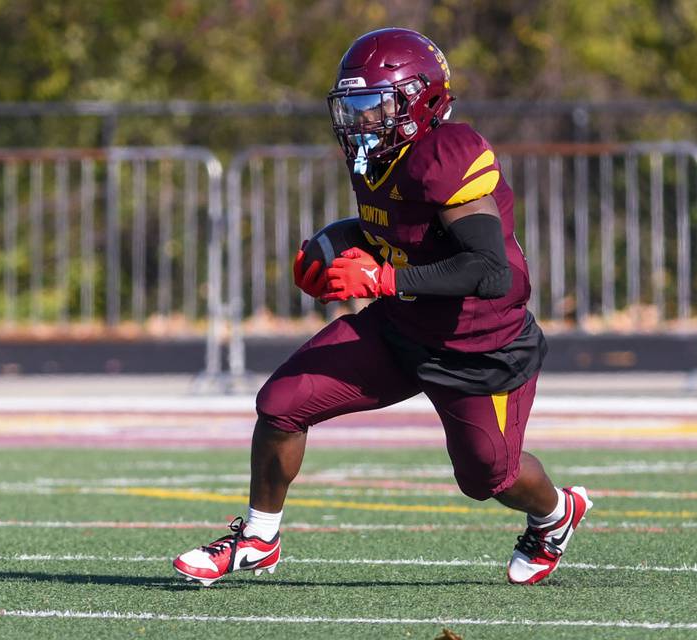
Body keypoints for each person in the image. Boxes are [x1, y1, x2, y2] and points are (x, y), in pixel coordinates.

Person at [173, 27, 591, 587]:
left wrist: (385, 277)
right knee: (281, 404)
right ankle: (258, 536)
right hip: (401, 329)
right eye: (354, 106)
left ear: (420, 101)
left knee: (490, 477)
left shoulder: (446, 154)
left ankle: (555, 515)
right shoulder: (377, 157)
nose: (360, 119)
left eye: (374, 104)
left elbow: (489, 270)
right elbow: (389, 226)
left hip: (477, 348)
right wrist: (329, 245)